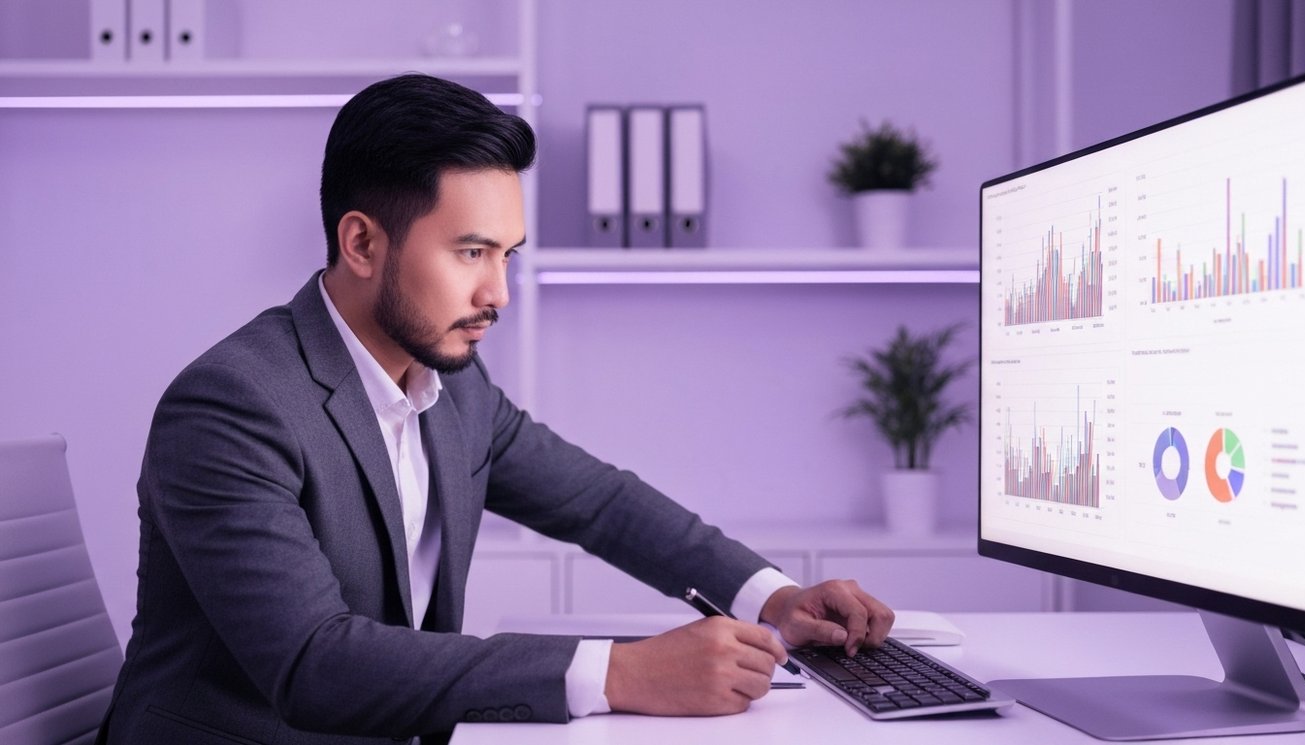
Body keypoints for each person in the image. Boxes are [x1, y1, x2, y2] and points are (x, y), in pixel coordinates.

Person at [97, 74, 894, 745]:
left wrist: (771, 597)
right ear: (363, 243)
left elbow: (601, 502)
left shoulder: (451, 383)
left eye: (507, 255)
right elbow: (314, 662)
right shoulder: (232, 405)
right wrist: (620, 670)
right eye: (470, 252)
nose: (498, 294)